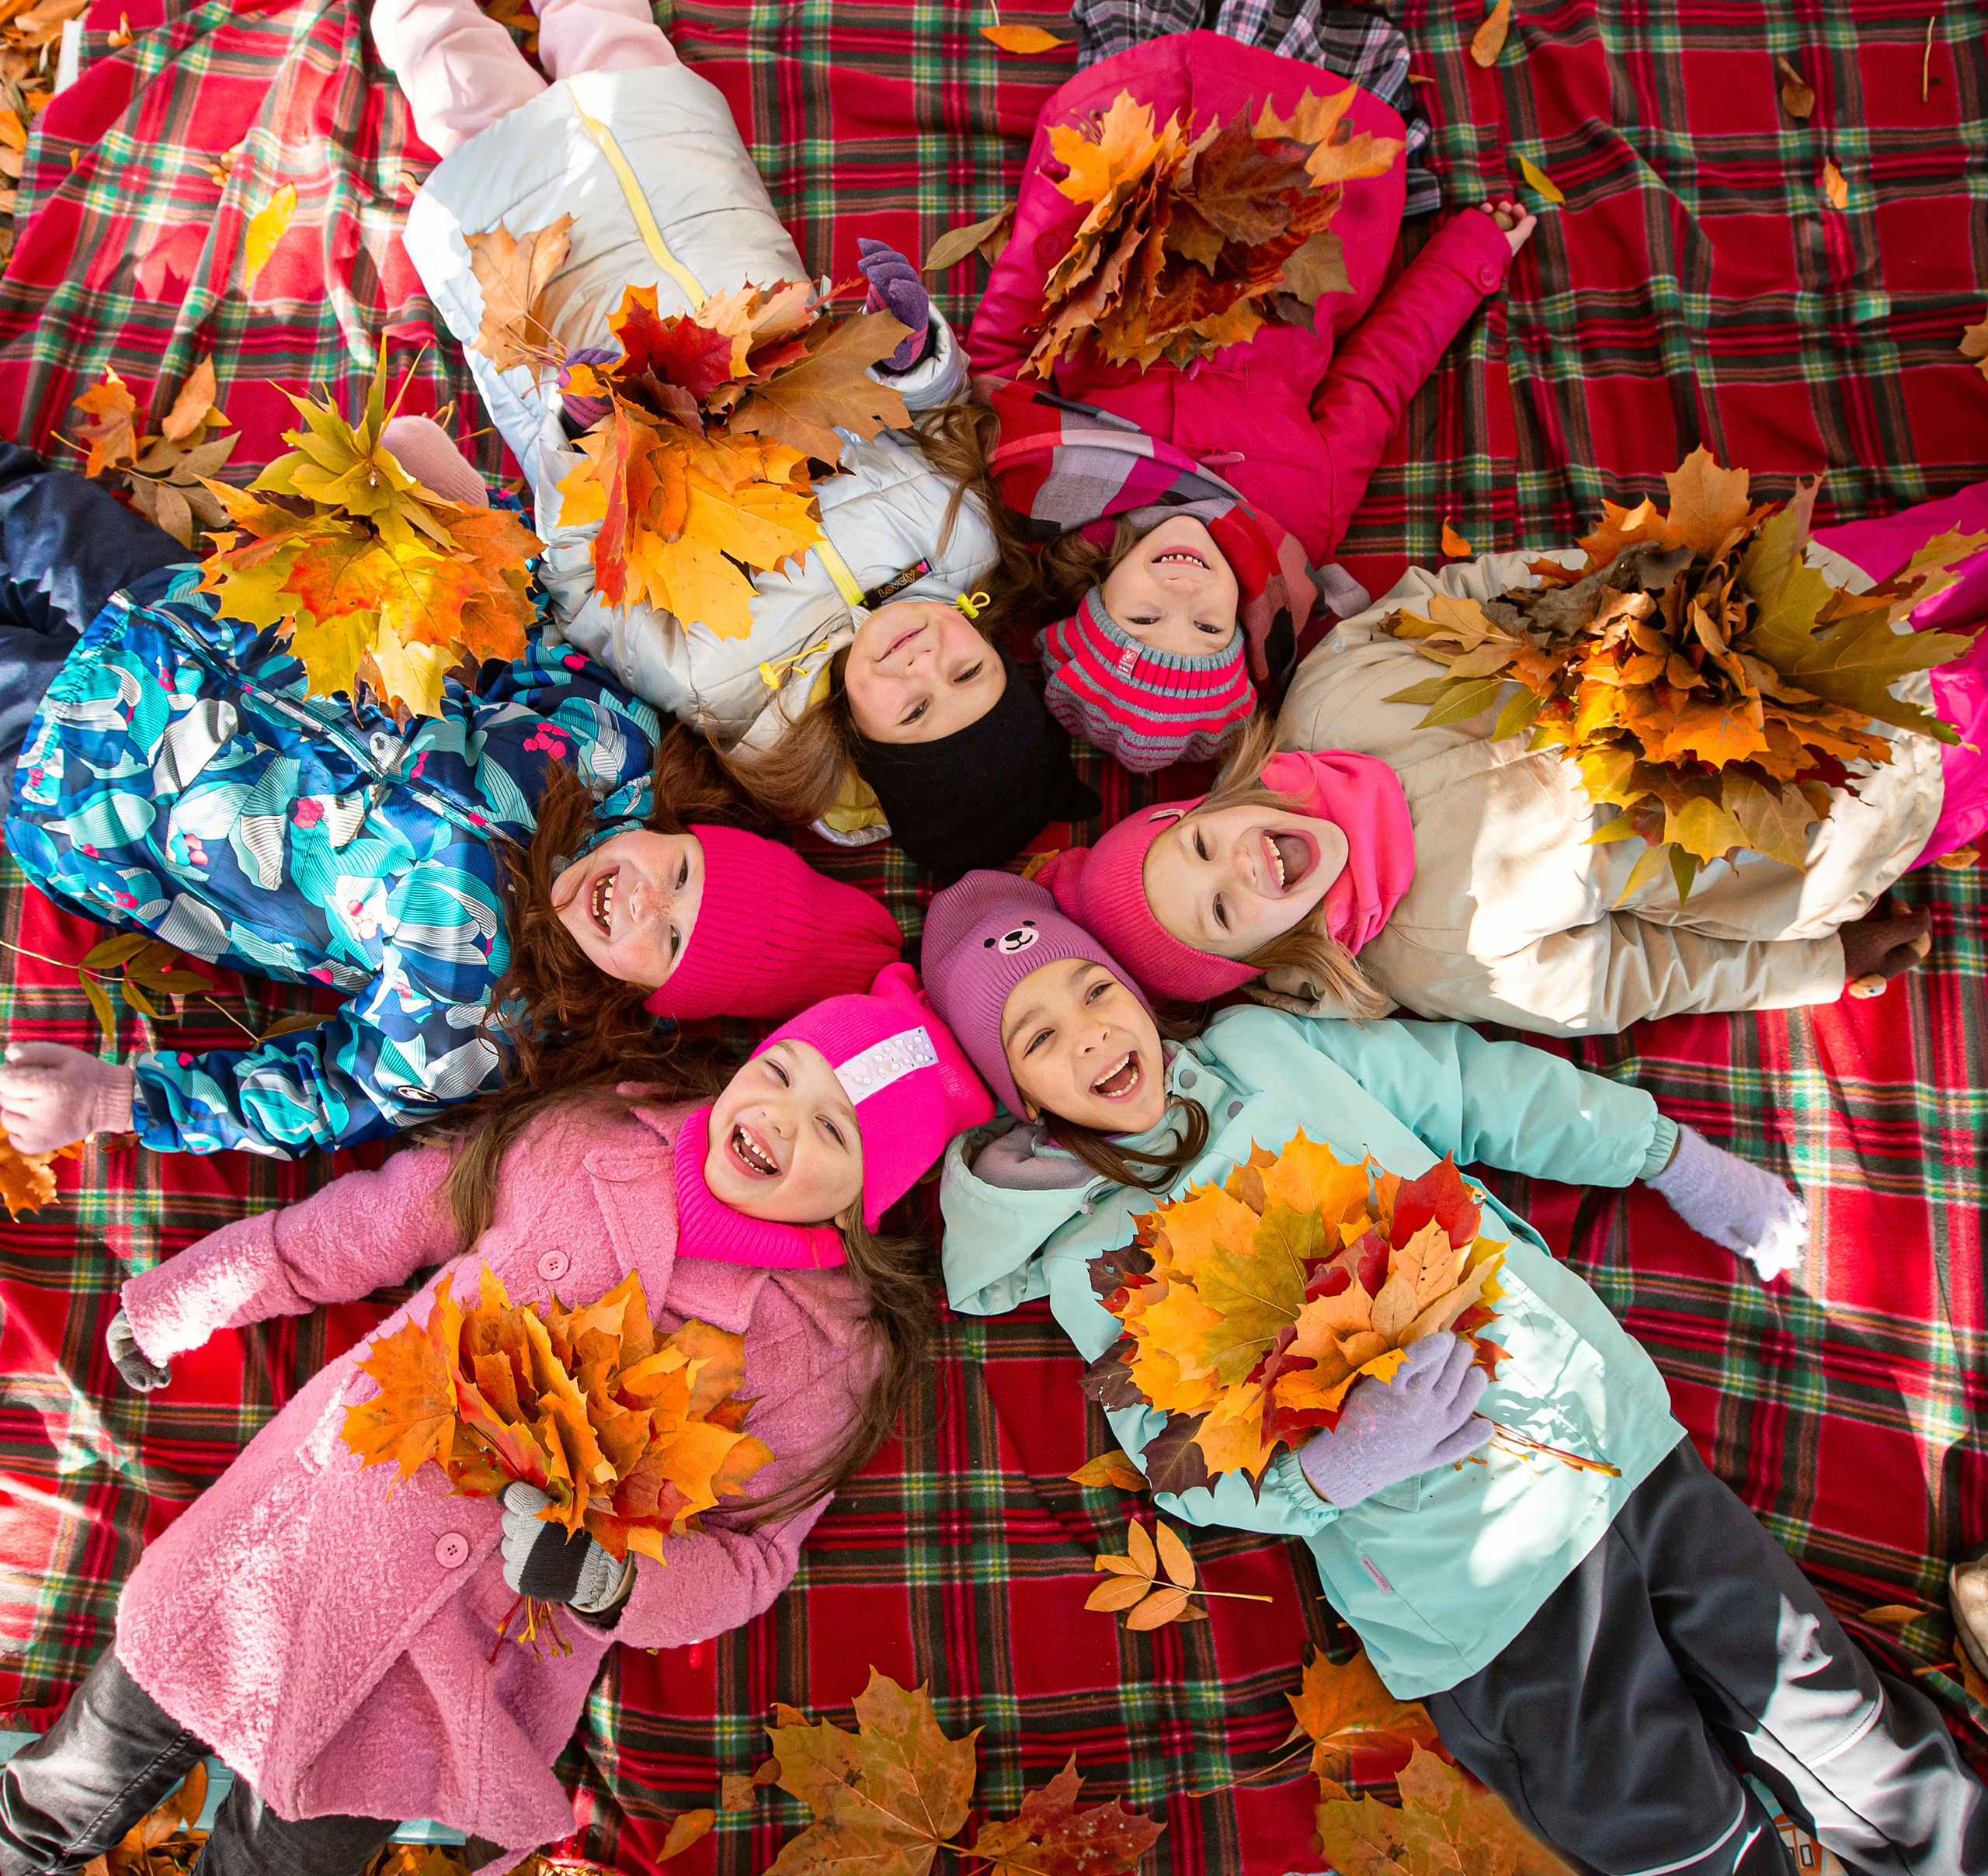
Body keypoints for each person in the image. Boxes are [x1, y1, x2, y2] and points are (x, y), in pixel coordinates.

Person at [917, 871, 1986, 1873]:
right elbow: (1178, 1458)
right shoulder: (1088, 1259)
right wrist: (1338, 1468)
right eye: (1039, 1036)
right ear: (1020, 1101)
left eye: (1094, 986)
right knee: (1663, 1824)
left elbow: (1482, 1091)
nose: (1092, 1031)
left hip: (1613, 1444)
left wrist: (1668, 1156)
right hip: (1472, 1584)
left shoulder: (1271, 1053)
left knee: (1832, 1713)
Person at [0, 964, 992, 1874]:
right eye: (782, 1073)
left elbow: (753, 1560)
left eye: (835, 1131)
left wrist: (613, 1582)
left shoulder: (826, 1354)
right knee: (63, 1785)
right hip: (290, 1541)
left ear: (866, 1200)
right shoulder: (585, 1141)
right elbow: (371, 1228)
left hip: (451, 1665)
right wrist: (193, 1295)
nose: (782, 1117)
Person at [0, 433, 905, 1158]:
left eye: (664, 940)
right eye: (678, 875)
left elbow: (334, 1093)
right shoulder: (608, 745)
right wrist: (461, 507)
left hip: (99, 779)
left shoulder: (480, 1013)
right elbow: (521, 617)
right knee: (29, 511)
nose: (639, 901)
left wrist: (115, 1099)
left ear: (648, 997)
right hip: (203, 609)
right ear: (683, 831)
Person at [372, 0, 1097, 876]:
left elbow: (582, 590)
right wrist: (913, 360)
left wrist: (579, 437)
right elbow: (938, 425)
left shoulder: (727, 683)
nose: (924, 666)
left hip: (569, 324)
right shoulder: (961, 543)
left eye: (911, 712)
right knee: (621, 53)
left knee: (462, 90)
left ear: (861, 749)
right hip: (712, 242)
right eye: (968, 677)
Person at [1035, 479, 1988, 1033]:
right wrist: (1820, 964)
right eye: (1221, 911)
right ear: (1259, 958)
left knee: (1943, 548)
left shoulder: (1328, 696)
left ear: (1210, 805)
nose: (1237, 866)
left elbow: (1457, 596)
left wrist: (1596, 578)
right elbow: (1643, 974)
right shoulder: (1436, 960)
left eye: (1200, 847)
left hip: (1750, 617)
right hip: (1832, 803)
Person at [963, 16, 1534, 770]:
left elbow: (1008, 343)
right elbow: (1378, 376)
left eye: (1143, 616)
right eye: (1205, 630)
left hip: (1145, 135)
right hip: (1296, 186)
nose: (1181, 593)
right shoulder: (1300, 524)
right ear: (1246, 628)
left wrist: (1070, 187)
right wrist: (1468, 261)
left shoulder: (1047, 484)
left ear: (1094, 601)